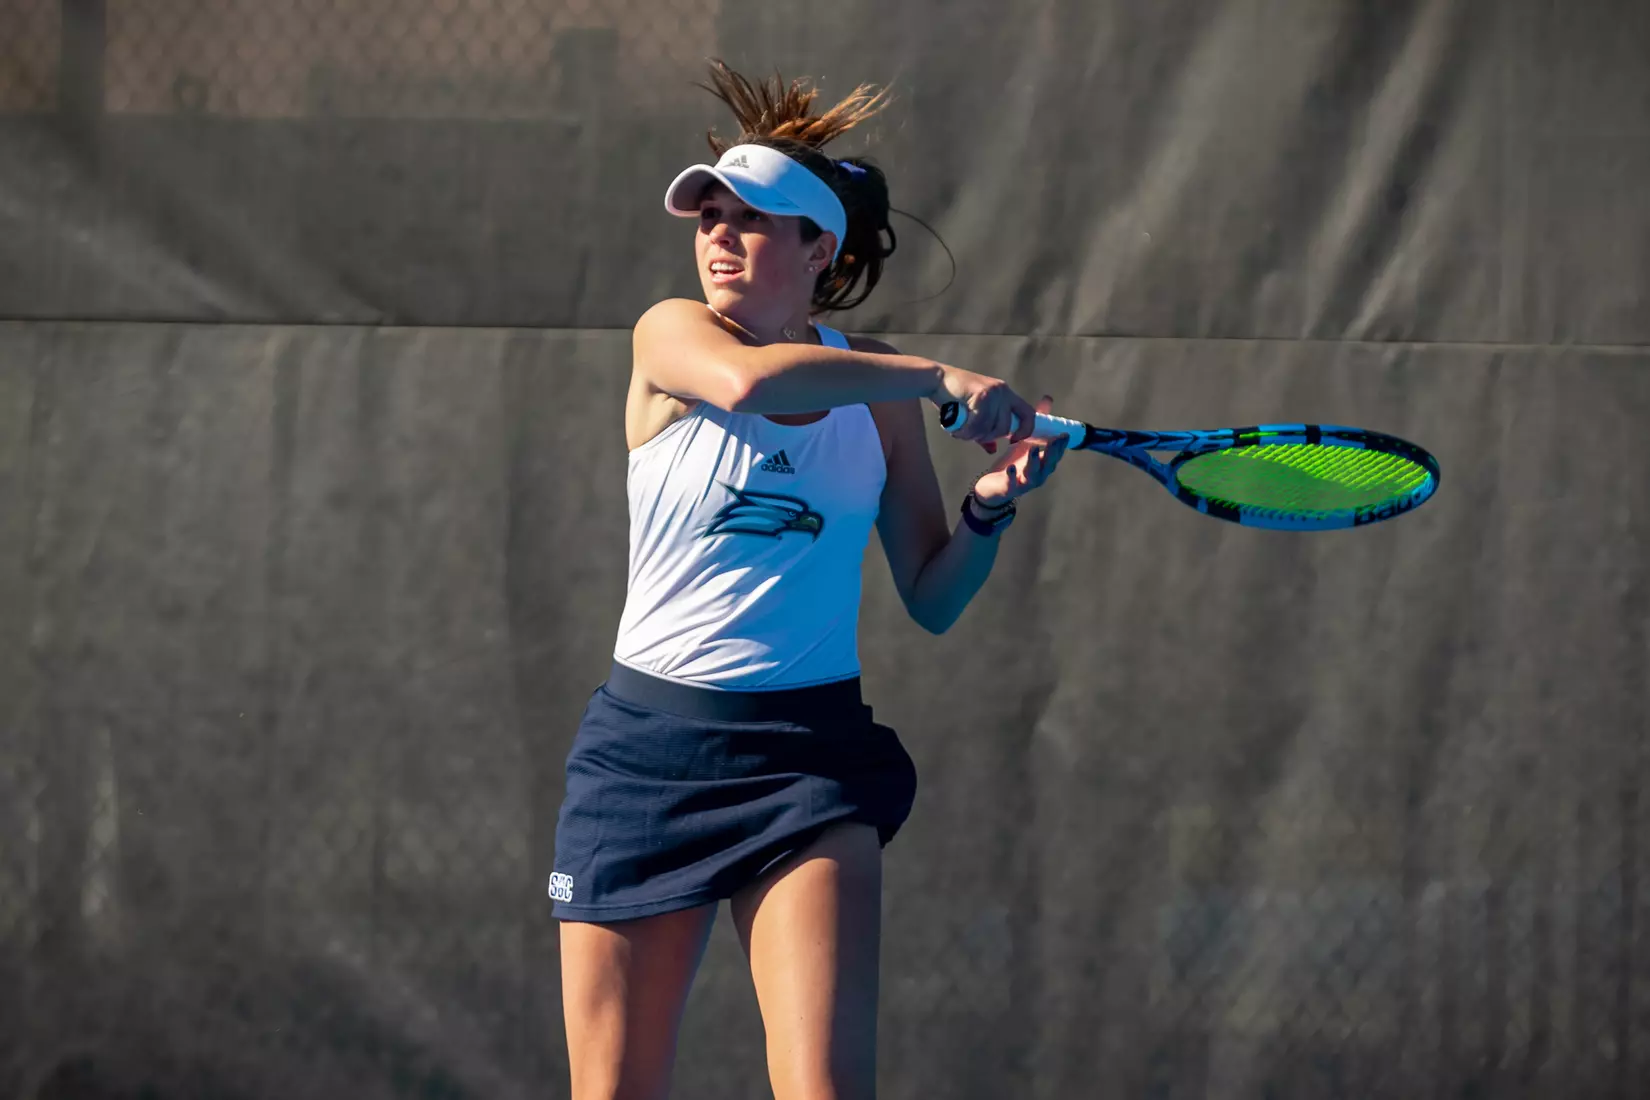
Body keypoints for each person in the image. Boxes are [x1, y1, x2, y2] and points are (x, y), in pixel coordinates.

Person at [551, 60, 1069, 1100]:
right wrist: (939, 375)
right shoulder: (672, 335)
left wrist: (989, 508)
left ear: (817, 248)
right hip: (645, 762)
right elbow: (749, 382)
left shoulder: (867, 389)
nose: (719, 236)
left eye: (753, 220)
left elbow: (931, 591)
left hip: (808, 765)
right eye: (709, 215)